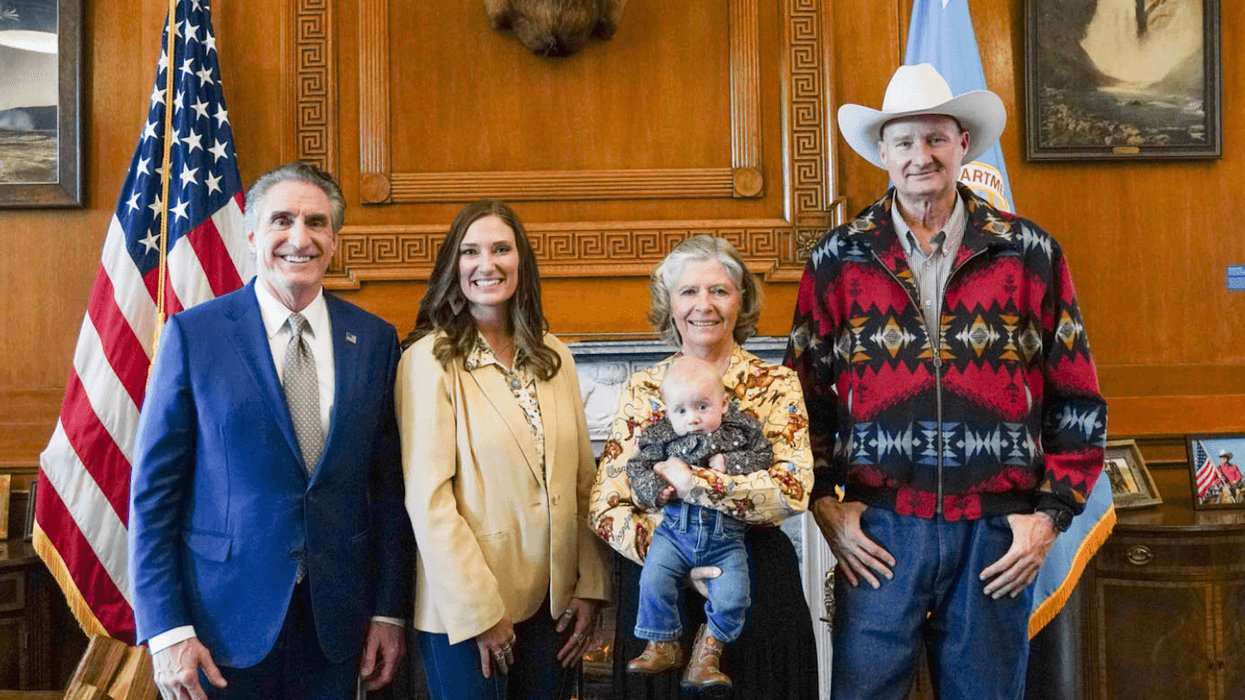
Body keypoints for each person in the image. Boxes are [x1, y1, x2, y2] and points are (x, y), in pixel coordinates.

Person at [784, 63, 1108, 699]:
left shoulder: (1029, 252)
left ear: (963, 144)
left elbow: (1077, 398)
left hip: (994, 533)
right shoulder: (837, 258)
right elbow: (803, 399)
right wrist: (825, 505)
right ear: (883, 152)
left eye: (935, 138)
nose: (920, 156)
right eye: (904, 141)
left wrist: (1050, 515)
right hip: (879, 531)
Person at [129, 162, 411, 700]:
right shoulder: (195, 335)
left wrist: (388, 612)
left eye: (316, 222)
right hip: (220, 628)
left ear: (334, 239)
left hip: (337, 624)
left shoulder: (374, 341)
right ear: (253, 235)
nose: (298, 238)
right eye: (282, 220)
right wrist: (166, 630)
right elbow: (153, 496)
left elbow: (388, 492)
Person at [396, 199, 612, 700]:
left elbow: (584, 480)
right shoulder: (429, 359)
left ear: (521, 262)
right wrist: (481, 612)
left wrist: (590, 586)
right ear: (455, 265)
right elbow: (429, 502)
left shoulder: (552, 352)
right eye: (470, 252)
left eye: (501, 249)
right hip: (468, 611)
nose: (486, 264)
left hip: (554, 609)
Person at [590, 234, 818, 699]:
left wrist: (698, 484)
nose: (704, 305)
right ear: (669, 305)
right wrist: (677, 560)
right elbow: (606, 506)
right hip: (661, 588)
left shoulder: (776, 384)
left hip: (755, 579)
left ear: (741, 301)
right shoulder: (643, 389)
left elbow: (792, 487)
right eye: (688, 292)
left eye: (719, 290)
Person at [624, 356, 773, 691]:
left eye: (702, 407)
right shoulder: (660, 437)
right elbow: (637, 468)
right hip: (674, 533)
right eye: (681, 411)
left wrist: (729, 462)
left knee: (735, 595)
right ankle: (662, 644)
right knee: (652, 580)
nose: (692, 419)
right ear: (667, 411)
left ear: (724, 403)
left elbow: (764, 457)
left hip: (726, 539)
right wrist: (656, 492)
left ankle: (708, 653)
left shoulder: (740, 432)